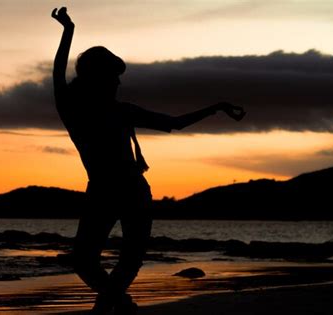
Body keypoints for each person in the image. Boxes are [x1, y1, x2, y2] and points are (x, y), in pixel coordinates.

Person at [51, 7, 245, 315]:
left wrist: (216, 108)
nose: (118, 83)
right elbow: (59, 73)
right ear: (98, 79)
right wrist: (68, 31)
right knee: (88, 261)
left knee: (122, 260)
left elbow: (174, 123)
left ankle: (110, 307)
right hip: (107, 192)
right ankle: (121, 304)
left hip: (129, 192)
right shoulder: (78, 109)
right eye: (113, 77)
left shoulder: (105, 110)